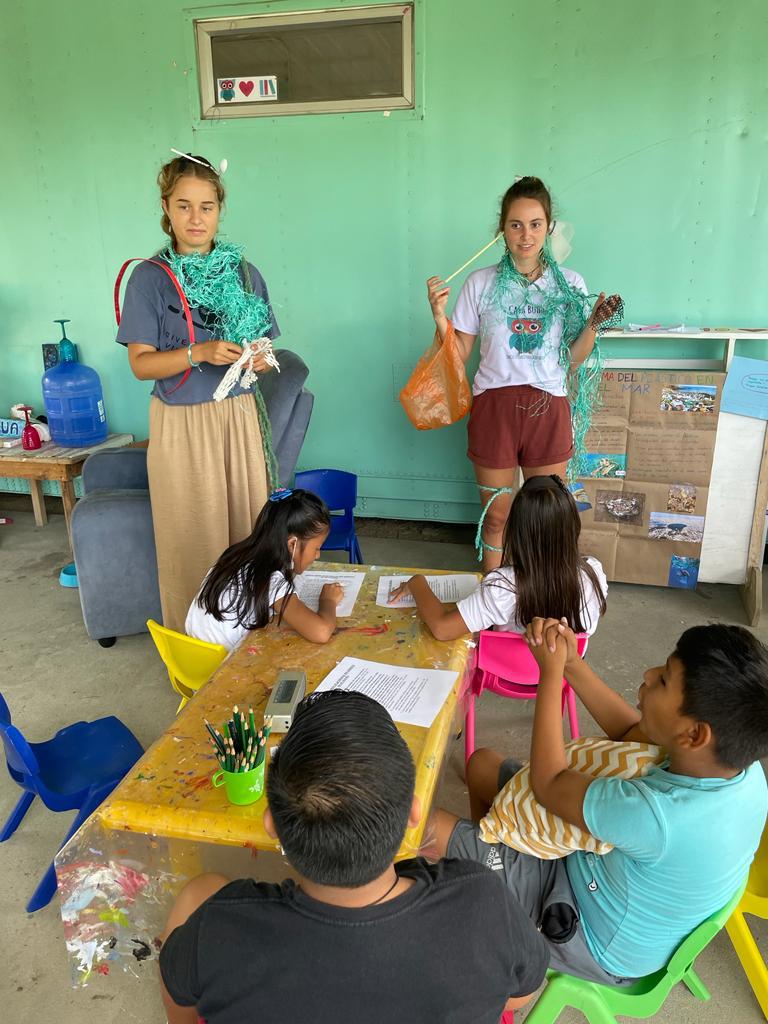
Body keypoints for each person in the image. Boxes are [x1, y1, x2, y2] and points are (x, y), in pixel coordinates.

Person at [158, 690, 550, 1024]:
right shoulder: (481, 902)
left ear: (271, 826)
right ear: (415, 816)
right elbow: (517, 995)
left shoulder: (221, 926)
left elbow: (179, 995)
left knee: (200, 889)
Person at [424, 622, 768, 984]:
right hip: (609, 880)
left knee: (421, 824)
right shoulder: (733, 766)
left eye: (664, 679)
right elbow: (628, 734)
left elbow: (550, 782)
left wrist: (550, 676)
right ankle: (493, 872)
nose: (648, 674)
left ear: (695, 734)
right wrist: (571, 663)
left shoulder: (656, 816)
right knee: (481, 765)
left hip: (588, 929)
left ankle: (491, 887)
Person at [116, 152, 282, 631]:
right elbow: (141, 364)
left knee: (248, 533)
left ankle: (250, 640)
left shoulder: (245, 273)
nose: (196, 218)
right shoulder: (150, 278)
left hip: (239, 416)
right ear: (166, 208)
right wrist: (200, 352)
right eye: (184, 205)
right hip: (182, 423)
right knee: (191, 537)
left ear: (220, 209)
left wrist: (257, 359)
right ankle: (197, 644)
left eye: (206, 206)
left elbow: (267, 353)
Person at [426, 176, 621, 571]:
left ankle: (542, 600)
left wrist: (594, 326)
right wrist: (439, 316)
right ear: (502, 229)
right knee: (496, 517)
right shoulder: (480, 283)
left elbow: (572, 360)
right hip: (494, 407)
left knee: (546, 521)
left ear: (548, 227)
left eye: (535, 224)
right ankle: (495, 605)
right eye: (516, 224)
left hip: (547, 406)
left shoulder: (569, 284)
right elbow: (459, 352)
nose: (525, 235)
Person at [388, 474, 607, 642]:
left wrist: (417, 583)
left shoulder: (503, 586)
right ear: (573, 527)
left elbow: (442, 629)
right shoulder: (593, 571)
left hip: (507, 673)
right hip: (565, 674)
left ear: (515, 531)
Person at [186, 488, 343, 650]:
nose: (317, 555)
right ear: (292, 544)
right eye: (317, 548)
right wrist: (327, 601)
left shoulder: (235, 554)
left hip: (191, 652)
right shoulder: (270, 578)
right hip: (222, 665)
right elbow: (321, 632)